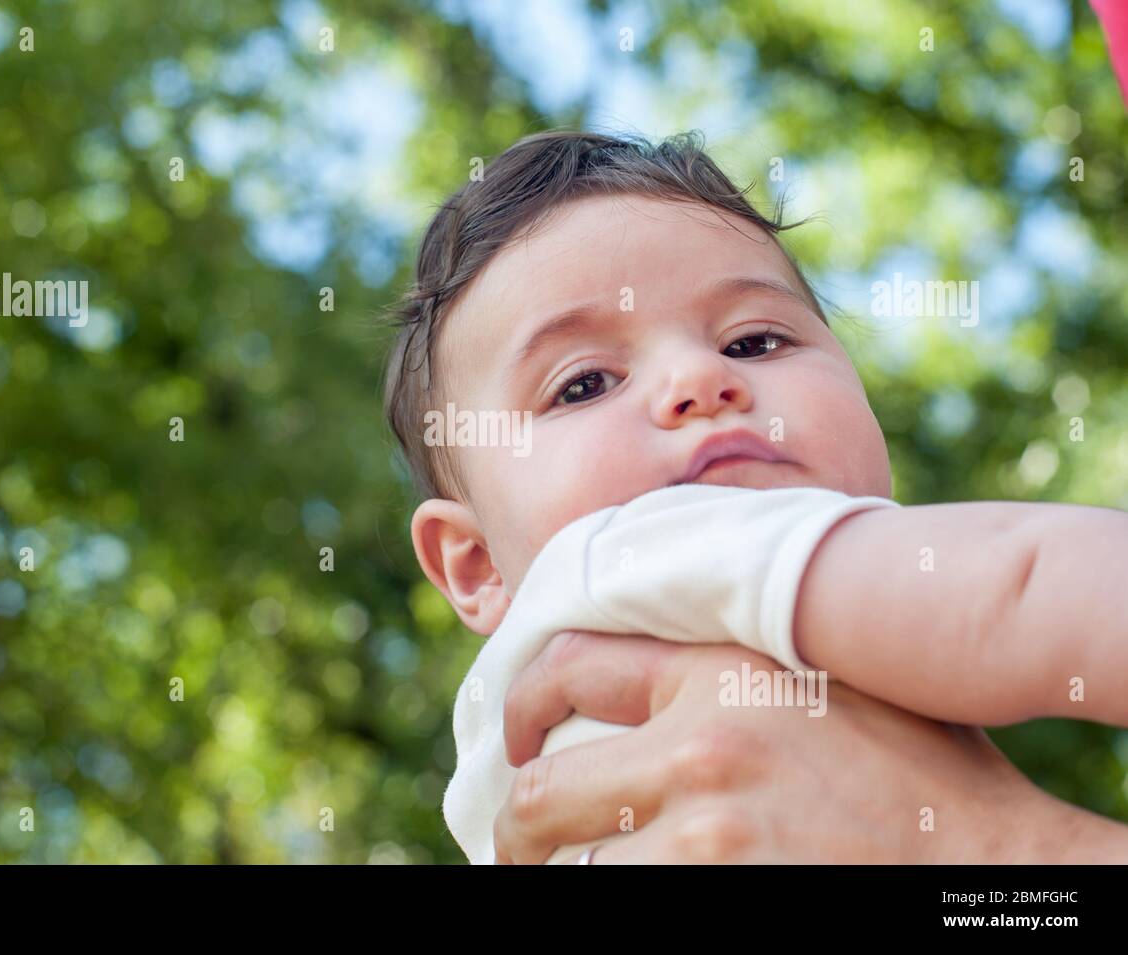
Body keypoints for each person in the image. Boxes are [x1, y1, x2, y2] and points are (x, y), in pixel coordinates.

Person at [381, 129, 1128, 864]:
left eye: (752, 342)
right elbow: (1015, 587)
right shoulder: (636, 551)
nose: (698, 382)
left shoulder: (499, 766)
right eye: (584, 384)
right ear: (476, 564)